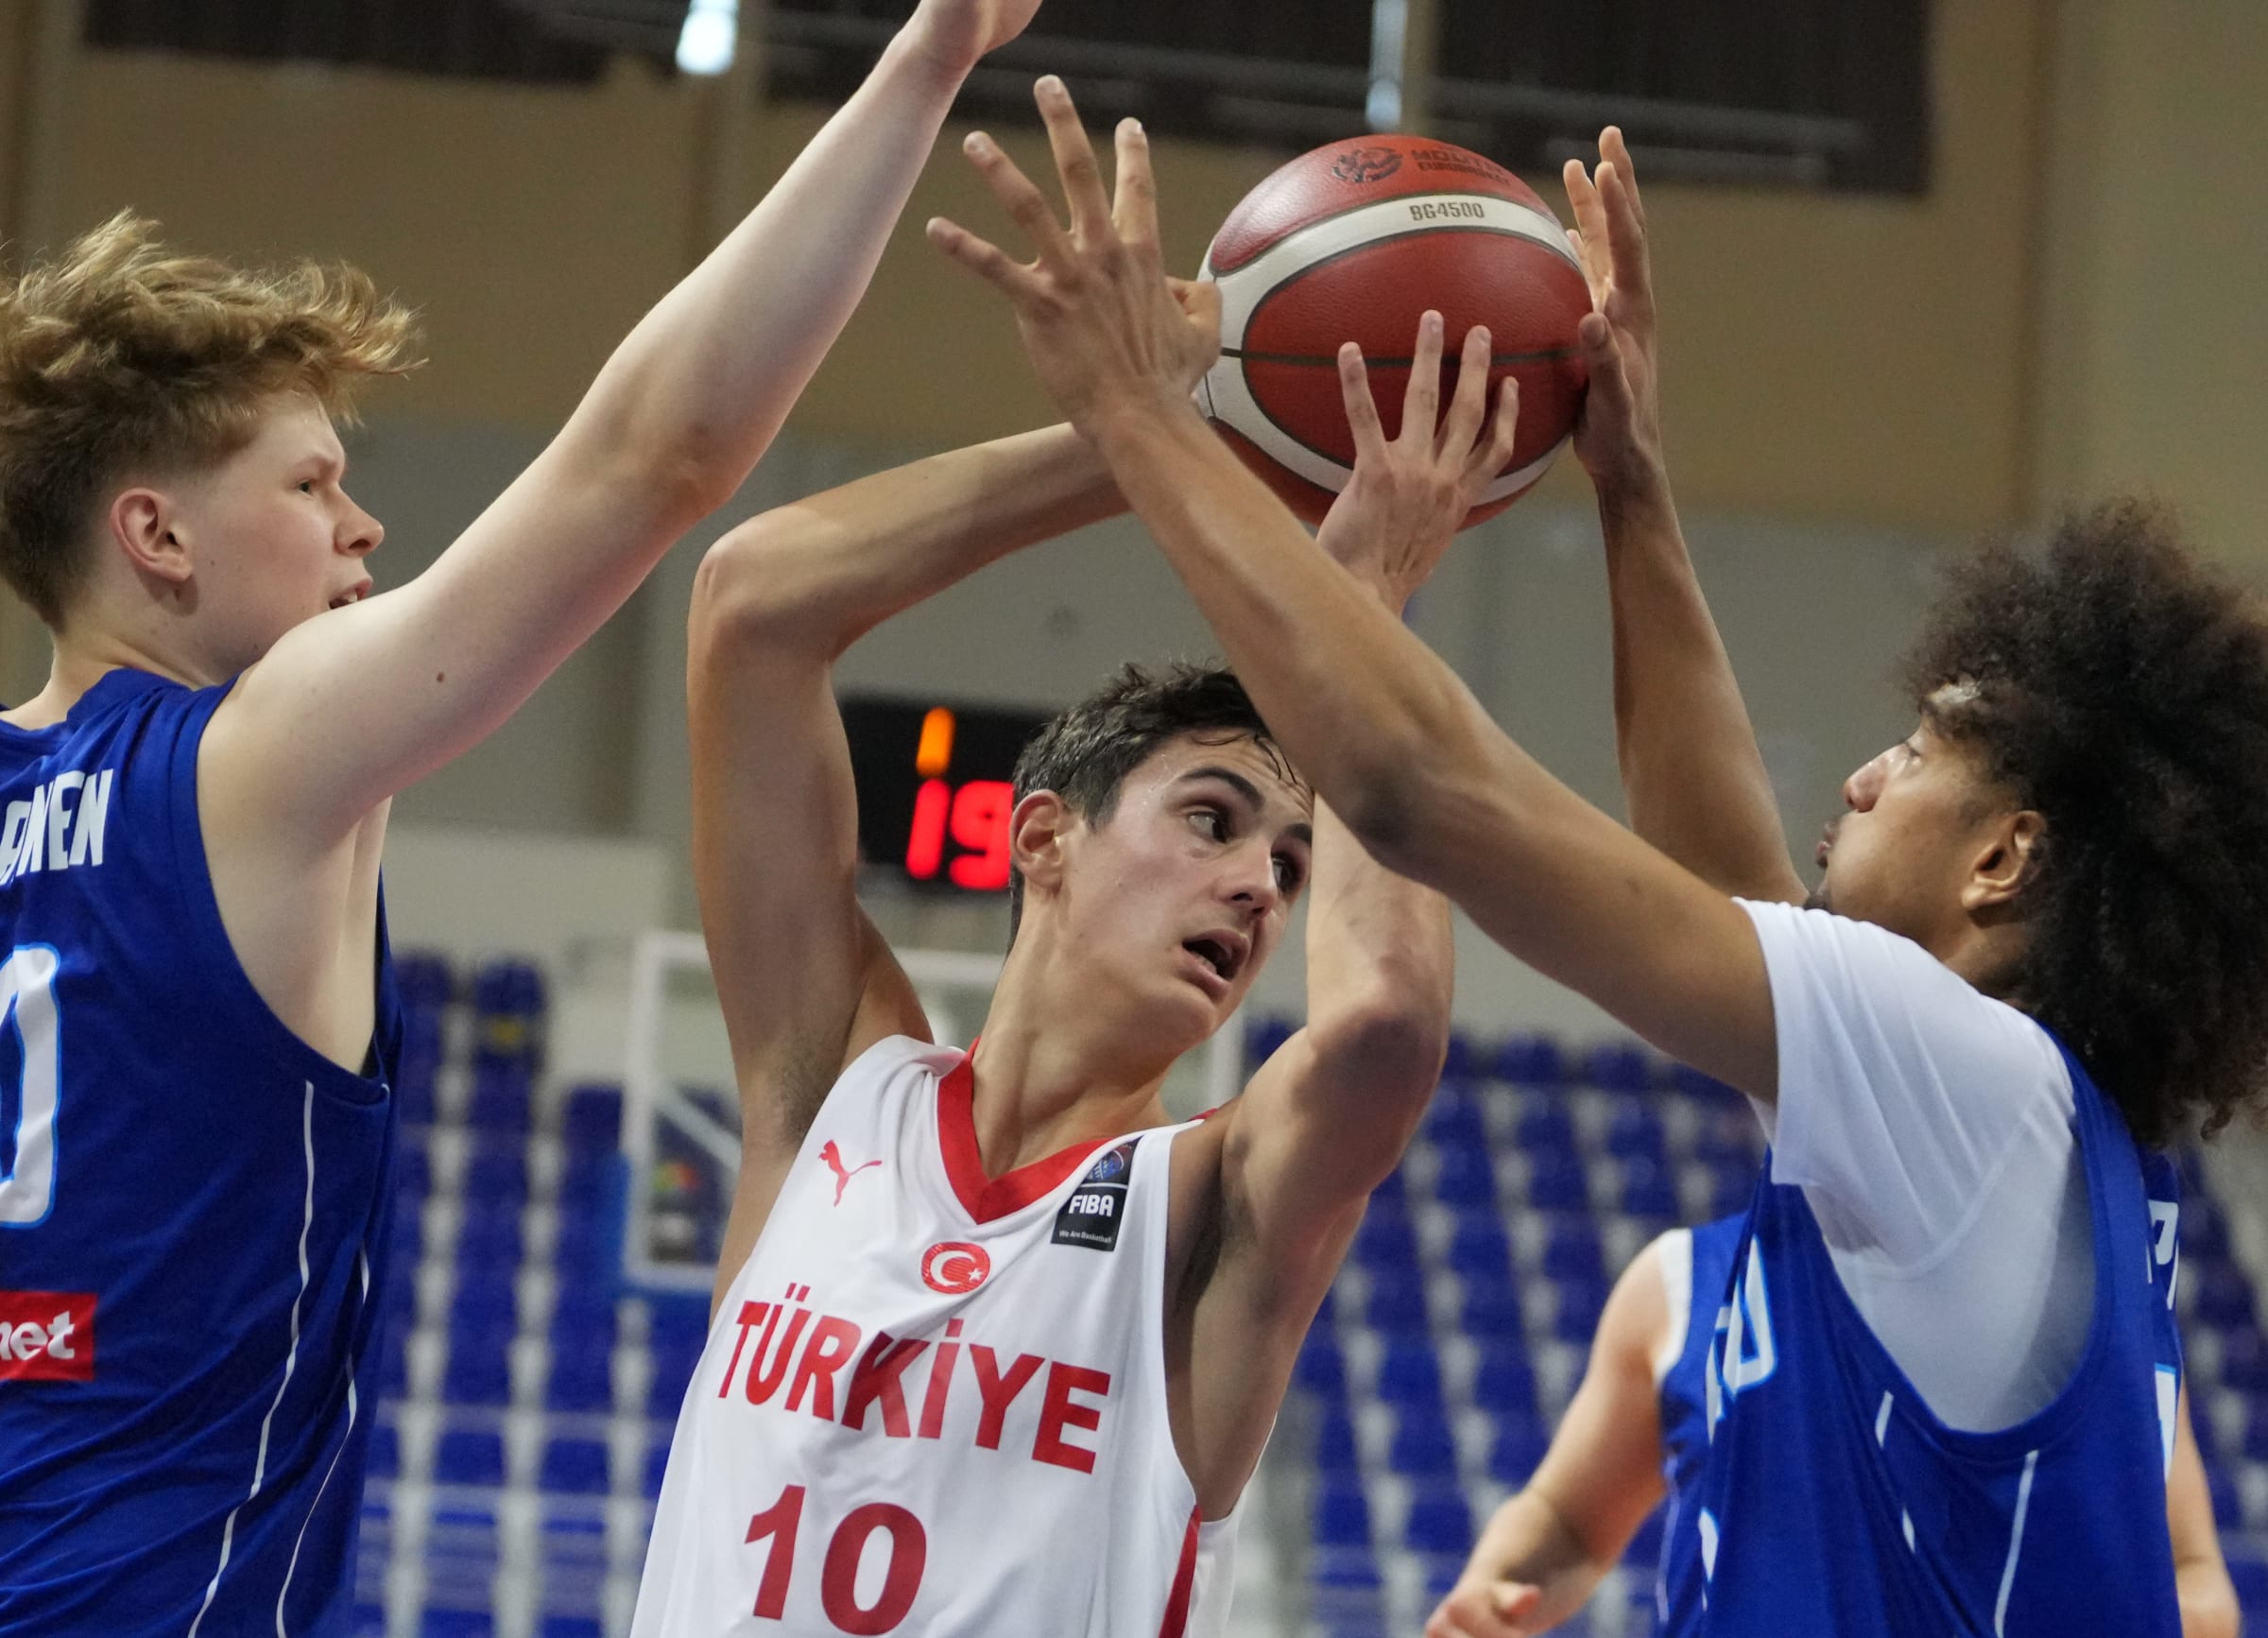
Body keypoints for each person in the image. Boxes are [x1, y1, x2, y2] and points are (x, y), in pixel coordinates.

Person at [931, 78, 2268, 1634]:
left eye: (1914, 755)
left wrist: (1150, 424)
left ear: (2005, 861)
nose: (1860, 773)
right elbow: (1729, 893)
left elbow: (1423, 789)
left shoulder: (1969, 1083)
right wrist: (1631, 483)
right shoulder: (2004, 1130)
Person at [0, 5, 1045, 1630]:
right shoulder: (245, 760)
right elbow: (658, 454)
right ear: (158, 534)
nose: (363, 525)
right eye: (310, 483)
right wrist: (931, 55)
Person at [625, 309, 1530, 1631]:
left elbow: (1387, 1023)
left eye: (1293, 864)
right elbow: (751, 604)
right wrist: (1150, 428)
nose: (1258, 885)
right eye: (1213, 821)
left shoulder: (1209, 1199)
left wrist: (1358, 613)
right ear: (1043, 836)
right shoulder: (835, 1091)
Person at [1426, 1215, 2241, 1638]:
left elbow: (2196, 1575)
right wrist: (1496, 1588)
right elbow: (1568, 1519)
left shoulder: (2062, 1299)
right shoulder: (1680, 1280)